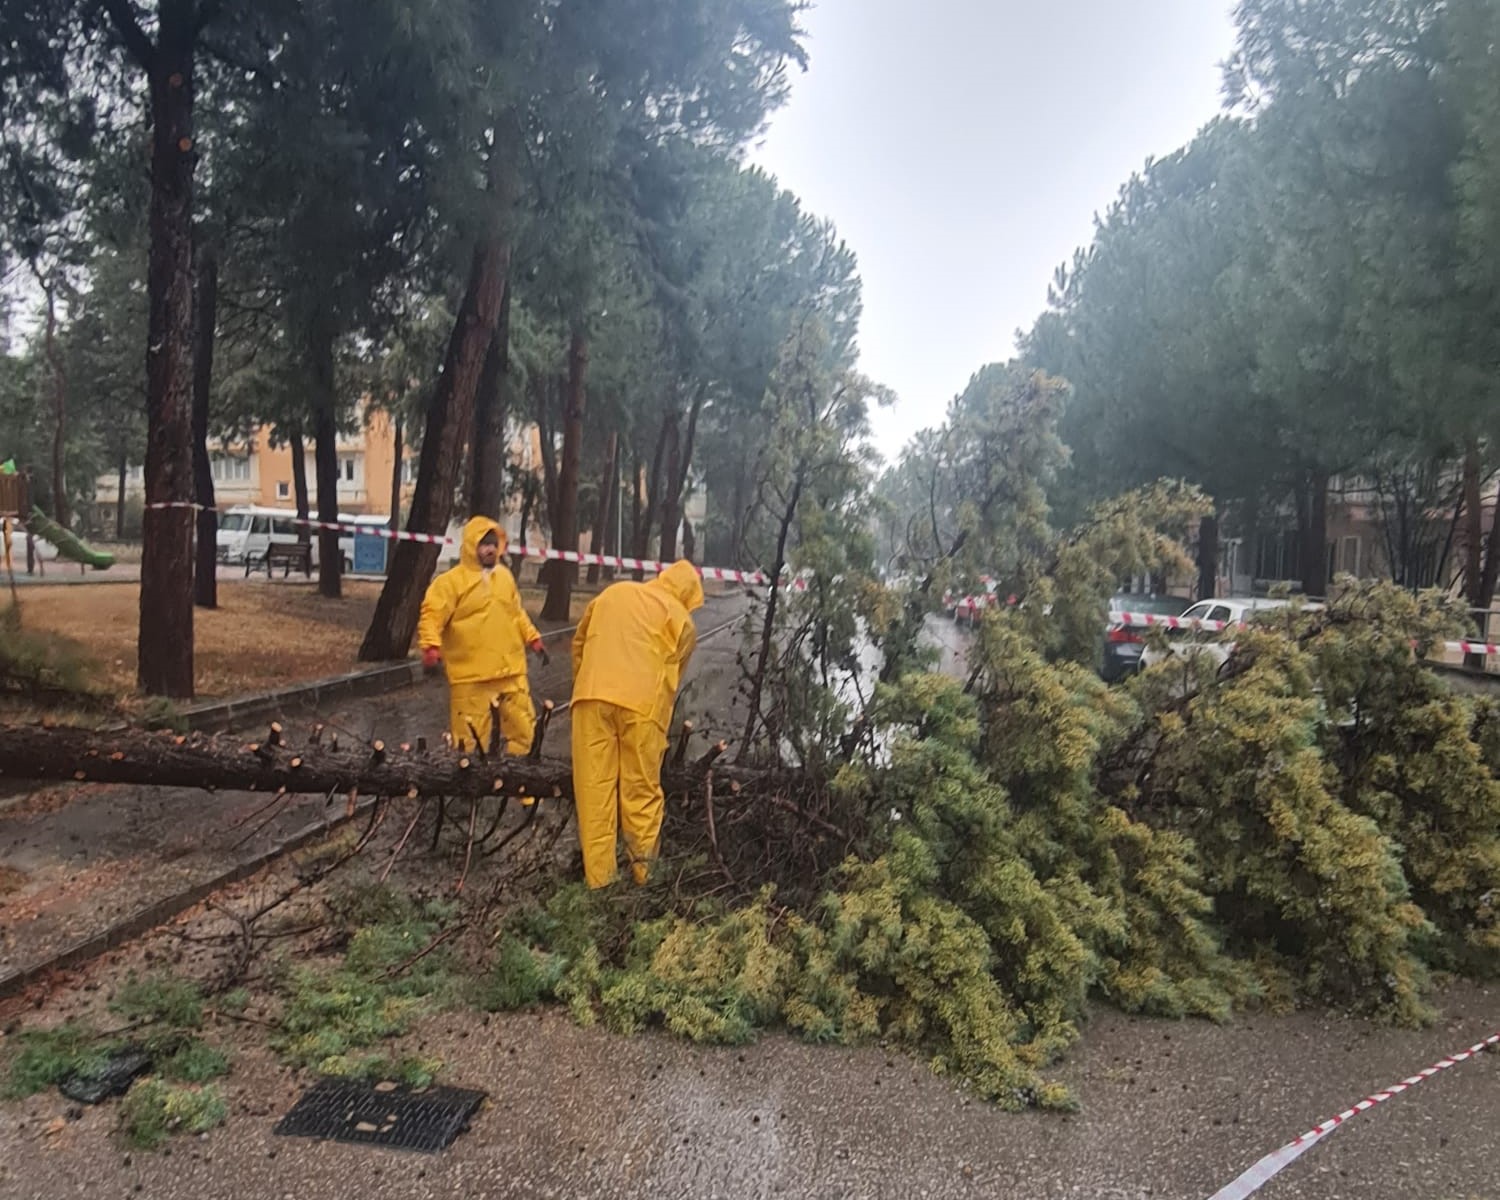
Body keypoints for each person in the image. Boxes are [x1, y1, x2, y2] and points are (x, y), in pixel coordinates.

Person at [570, 559, 704, 887]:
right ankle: (645, 881)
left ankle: (600, 886)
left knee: (594, 793)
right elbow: (674, 674)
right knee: (641, 794)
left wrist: (589, 684)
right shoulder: (682, 620)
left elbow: (579, 645)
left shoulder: (613, 593)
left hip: (591, 698)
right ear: (690, 596)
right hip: (642, 709)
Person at [418, 516, 545, 754]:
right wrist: (431, 648)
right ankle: (469, 790)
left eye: (494, 544)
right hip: (471, 677)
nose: (490, 550)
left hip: (510, 673)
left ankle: (522, 789)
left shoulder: (505, 577)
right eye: (484, 544)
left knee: (524, 734)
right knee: (469, 742)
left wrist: (533, 639)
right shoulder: (450, 583)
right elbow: (432, 616)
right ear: (470, 545)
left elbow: (517, 613)